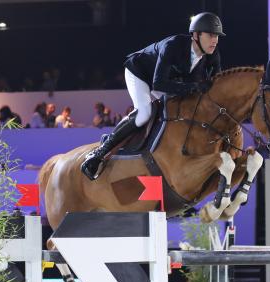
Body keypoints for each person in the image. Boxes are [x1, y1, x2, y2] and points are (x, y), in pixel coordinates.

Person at [81, 12, 224, 180]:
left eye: (217, 36)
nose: (215, 40)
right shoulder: (173, 46)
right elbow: (159, 84)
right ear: (196, 35)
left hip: (167, 82)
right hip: (140, 74)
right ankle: (101, 151)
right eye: (211, 35)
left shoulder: (212, 56)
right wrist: (195, 86)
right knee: (144, 114)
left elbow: (216, 88)